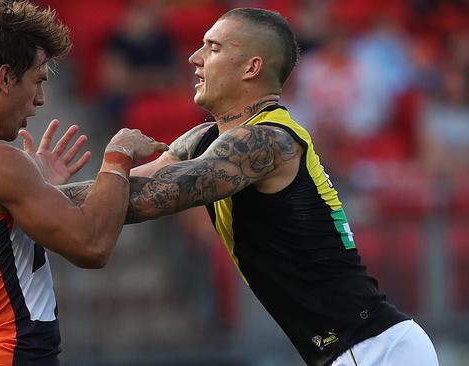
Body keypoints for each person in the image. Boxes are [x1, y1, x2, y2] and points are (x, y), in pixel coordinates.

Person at [59, 8, 439, 366]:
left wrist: (110, 159)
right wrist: (26, 193)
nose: (194, 57)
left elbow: (145, 198)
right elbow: (115, 194)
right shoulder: (204, 138)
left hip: (373, 349)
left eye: (213, 47)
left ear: (251, 67)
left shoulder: (267, 142)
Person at [0, 1, 167, 365]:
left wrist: (39, 186)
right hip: (13, 355)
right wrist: (118, 156)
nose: (40, 99)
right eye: (38, 80)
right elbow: (92, 246)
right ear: (6, 77)